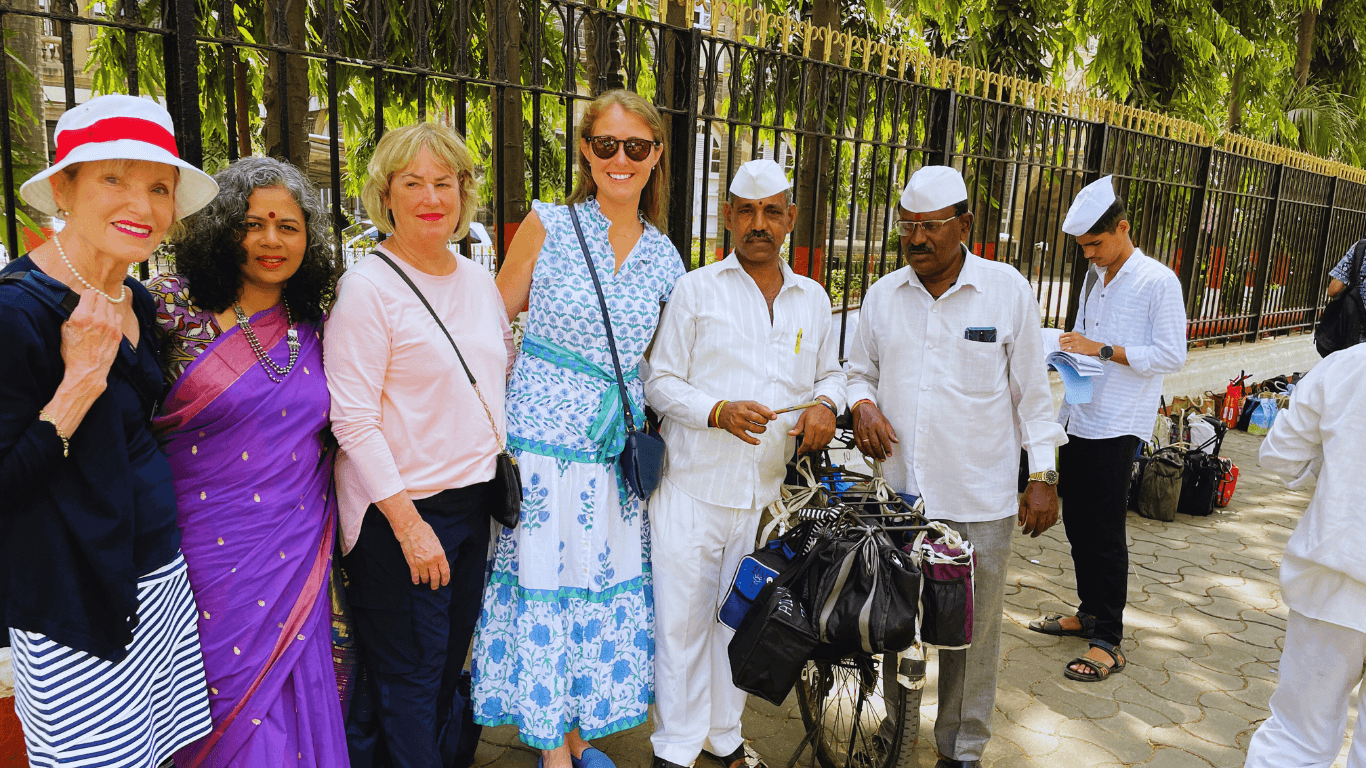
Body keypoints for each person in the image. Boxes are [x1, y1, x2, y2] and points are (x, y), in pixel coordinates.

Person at [0, 94, 218, 767]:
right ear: (64, 188)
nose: (143, 204)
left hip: (154, 580)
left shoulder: (136, 297)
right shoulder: (16, 312)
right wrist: (77, 386)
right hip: (76, 602)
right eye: (114, 178)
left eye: (159, 186)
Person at [471, 89, 684, 768]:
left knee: (592, 587)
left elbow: (668, 362)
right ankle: (554, 748)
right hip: (537, 445)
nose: (619, 159)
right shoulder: (548, 223)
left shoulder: (666, 257)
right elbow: (491, 322)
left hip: (609, 451)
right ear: (586, 151)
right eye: (605, 144)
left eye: (636, 147)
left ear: (656, 157)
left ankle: (574, 734)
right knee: (545, 586)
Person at [847, 165, 1066, 768]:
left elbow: (1033, 396)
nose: (916, 239)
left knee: (973, 636)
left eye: (931, 227)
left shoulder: (1007, 292)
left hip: (979, 501)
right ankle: (895, 734)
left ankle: (961, 750)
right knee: (893, 624)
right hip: (900, 501)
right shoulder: (883, 296)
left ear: (964, 225)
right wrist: (862, 403)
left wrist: (1042, 476)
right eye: (907, 227)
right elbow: (856, 371)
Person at [144, 156, 346, 767]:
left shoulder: (318, 319)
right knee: (219, 702)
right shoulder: (169, 308)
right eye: (252, 223)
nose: (270, 240)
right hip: (202, 552)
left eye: (288, 226)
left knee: (292, 688)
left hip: (296, 540)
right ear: (221, 228)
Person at [644, 158, 844, 768]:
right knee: (681, 625)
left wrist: (826, 405)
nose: (759, 224)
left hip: (763, 498)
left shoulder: (813, 298)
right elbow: (659, 381)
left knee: (740, 623)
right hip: (692, 487)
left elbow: (830, 373)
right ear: (728, 216)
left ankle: (723, 737)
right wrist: (717, 410)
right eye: (746, 212)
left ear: (790, 218)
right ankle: (675, 748)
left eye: (772, 212)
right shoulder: (696, 289)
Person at [325, 122, 513, 768]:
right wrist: (408, 526)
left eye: (445, 183)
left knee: (438, 671)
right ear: (386, 195)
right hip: (401, 516)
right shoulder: (368, 289)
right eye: (414, 184)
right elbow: (352, 421)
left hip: (468, 508)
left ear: (464, 193)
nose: (432, 197)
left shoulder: (475, 279)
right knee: (410, 676)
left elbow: (493, 375)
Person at [1026, 175, 1187, 682]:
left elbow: (1170, 355)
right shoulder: (1096, 279)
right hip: (1079, 413)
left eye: (1096, 244)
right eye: (1083, 248)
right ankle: (1089, 612)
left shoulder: (1158, 281)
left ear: (1122, 228)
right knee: (1076, 522)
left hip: (1118, 422)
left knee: (1104, 531)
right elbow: (1086, 341)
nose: (1090, 255)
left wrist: (1101, 350)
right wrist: (1066, 351)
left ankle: (1109, 640)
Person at [1243, 343, 1366, 767]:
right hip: (1332, 580)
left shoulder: (1347, 366)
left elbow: (1279, 456)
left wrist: (1331, 464)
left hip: (1332, 577)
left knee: (1297, 738)